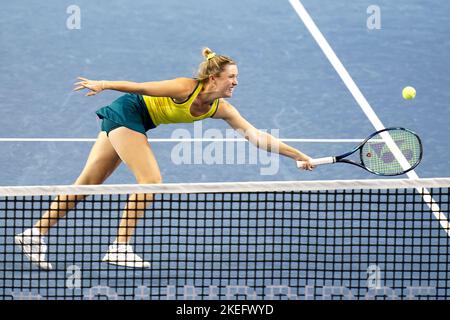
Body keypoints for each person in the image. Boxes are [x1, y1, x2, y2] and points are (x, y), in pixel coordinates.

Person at [15, 48, 314, 270]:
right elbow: (141, 88)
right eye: (232, 77)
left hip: (137, 122)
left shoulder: (220, 108)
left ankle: (34, 233)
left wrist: (298, 156)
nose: (236, 83)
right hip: (127, 113)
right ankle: (119, 247)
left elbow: (257, 136)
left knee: (87, 183)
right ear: (214, 78)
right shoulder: (185, 87)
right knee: (151, 181)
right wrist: (103, 83)